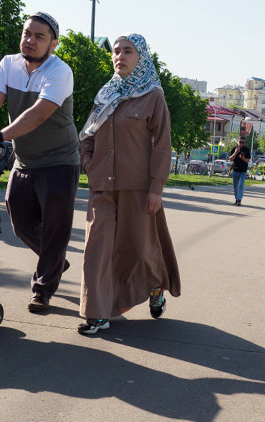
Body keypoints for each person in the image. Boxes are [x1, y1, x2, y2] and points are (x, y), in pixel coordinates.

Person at [0, 12, 79, 313]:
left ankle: (42, 290)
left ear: (53, 44)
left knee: (56, 229)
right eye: (27, 33)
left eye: (39, 36)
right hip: (25, 161)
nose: (30, 40)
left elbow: (39, 113)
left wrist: (0, 135)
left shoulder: (60, 72)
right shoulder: (8, 64)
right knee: (20, 223)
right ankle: (55, 261)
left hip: (59, 160)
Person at [77, 32, 181, 335]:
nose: (119, 56)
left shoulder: (153, 96)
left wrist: (155, 189)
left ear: (141, 58)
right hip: (102, 189)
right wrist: (88, 165)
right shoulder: (105, 94)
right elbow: (87, 137)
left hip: (138, 190)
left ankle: (154, 287)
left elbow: (162, 146)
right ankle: (96, 314)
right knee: (96, 249)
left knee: (139, 251)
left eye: (128, 51)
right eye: (116, 51)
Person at [229, 136, 251, 205]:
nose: (242, 143)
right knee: (235, 186)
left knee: (241, 185)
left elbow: (248, 160)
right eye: (240, 142)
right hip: (235, 170)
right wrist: (235, 153)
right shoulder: (234, 149)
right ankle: (236, 199)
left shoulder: (246, 150)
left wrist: (243, 158)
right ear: (237, 141)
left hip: (243, 170)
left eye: (243, 142)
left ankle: (239, 200)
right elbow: (230, 159)